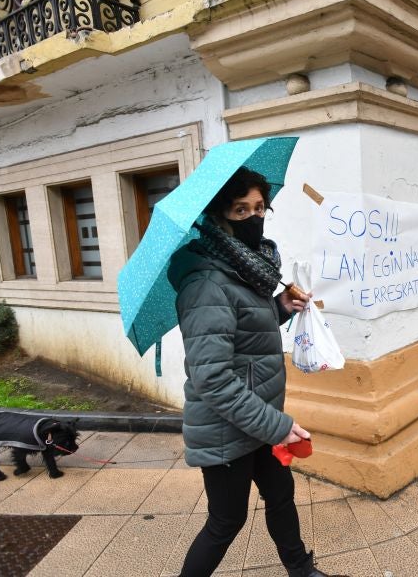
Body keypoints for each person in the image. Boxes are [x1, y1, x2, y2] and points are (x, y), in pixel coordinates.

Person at [168, 167, 340, 577]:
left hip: (260, 419)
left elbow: (244, 333)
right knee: (227, 521)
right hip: (226, 428)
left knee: (281, 495)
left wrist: (281, 308)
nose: (254, 217)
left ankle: (301, 570)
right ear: (219, 216)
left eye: (260, 207)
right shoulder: (206, 284)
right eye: (241, 210)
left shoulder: (247, 269)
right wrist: (277, 426)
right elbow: (212, 378)